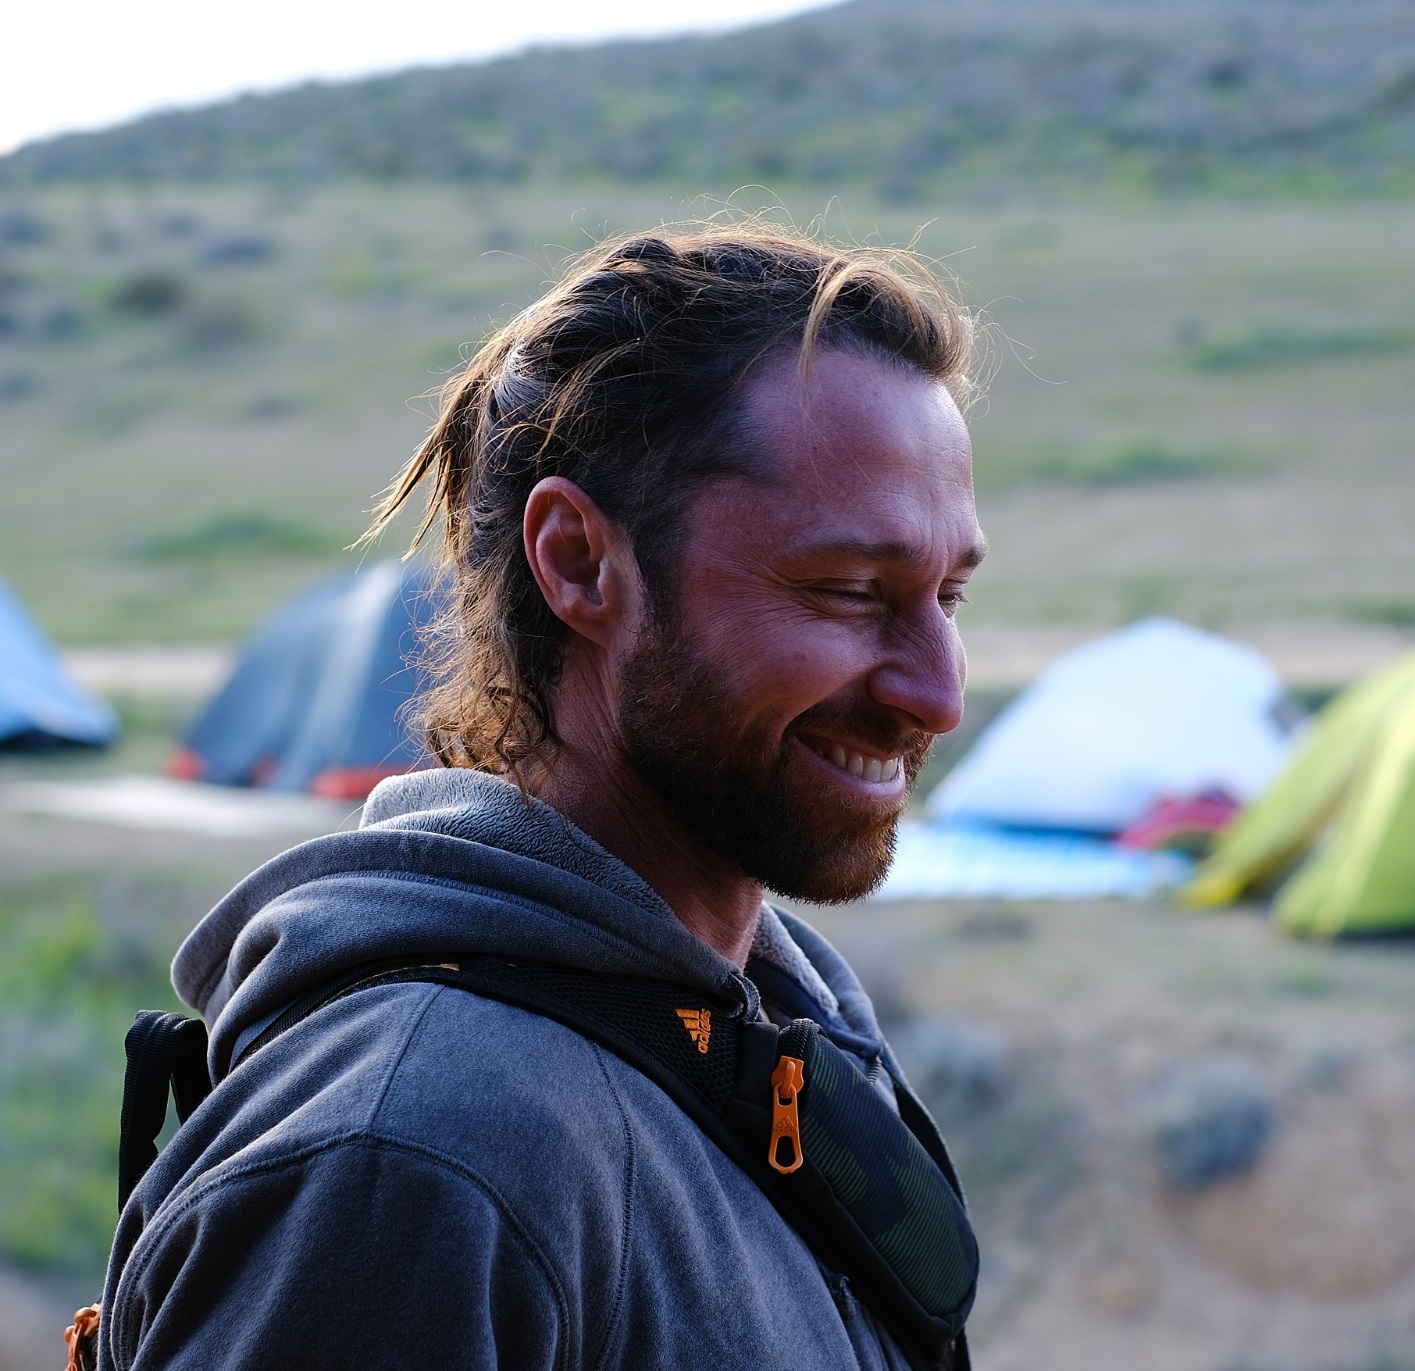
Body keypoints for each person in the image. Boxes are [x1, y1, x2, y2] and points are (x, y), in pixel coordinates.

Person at [96, 224, 986, 1370]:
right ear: (577, 562)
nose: (937, 696)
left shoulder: (769, 1022)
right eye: (848, 591)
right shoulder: (411, 1160)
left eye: (946, 598)